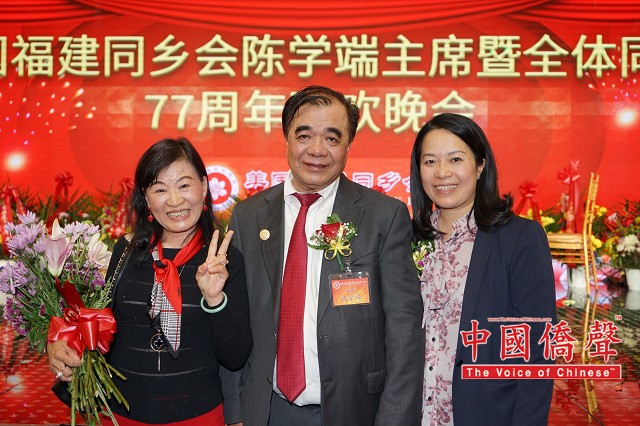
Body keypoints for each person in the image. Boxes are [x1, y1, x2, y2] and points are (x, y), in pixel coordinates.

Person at [222, 85, 424, 426]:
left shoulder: (383, 216)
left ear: (348, 145)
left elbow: (404, 331)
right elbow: (235, 322)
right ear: (287, 138)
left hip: (355, 410)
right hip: (267, 410)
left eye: (332, 138)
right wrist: (236, 412)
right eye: (304, 135)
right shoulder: (248, 216)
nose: (317, 150)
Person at [47, 137, 252, 425]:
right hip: (120, 414)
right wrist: (60, 342)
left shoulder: (224, 259)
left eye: (184, 185)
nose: (175, 200)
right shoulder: (127, 250)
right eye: (160, 189)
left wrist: (215, 300)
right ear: (145, 198)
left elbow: (236, 356)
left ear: (204, 187)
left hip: (197, 415)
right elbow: (101, 326)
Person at [410, 113, 557, 426]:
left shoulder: (518, 238)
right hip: (414, 415)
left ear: (480, 166)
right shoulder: (406, 238)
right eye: (430, 161)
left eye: (455, 159)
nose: (442, 172)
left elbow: (537, 347)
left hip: (486, 414)